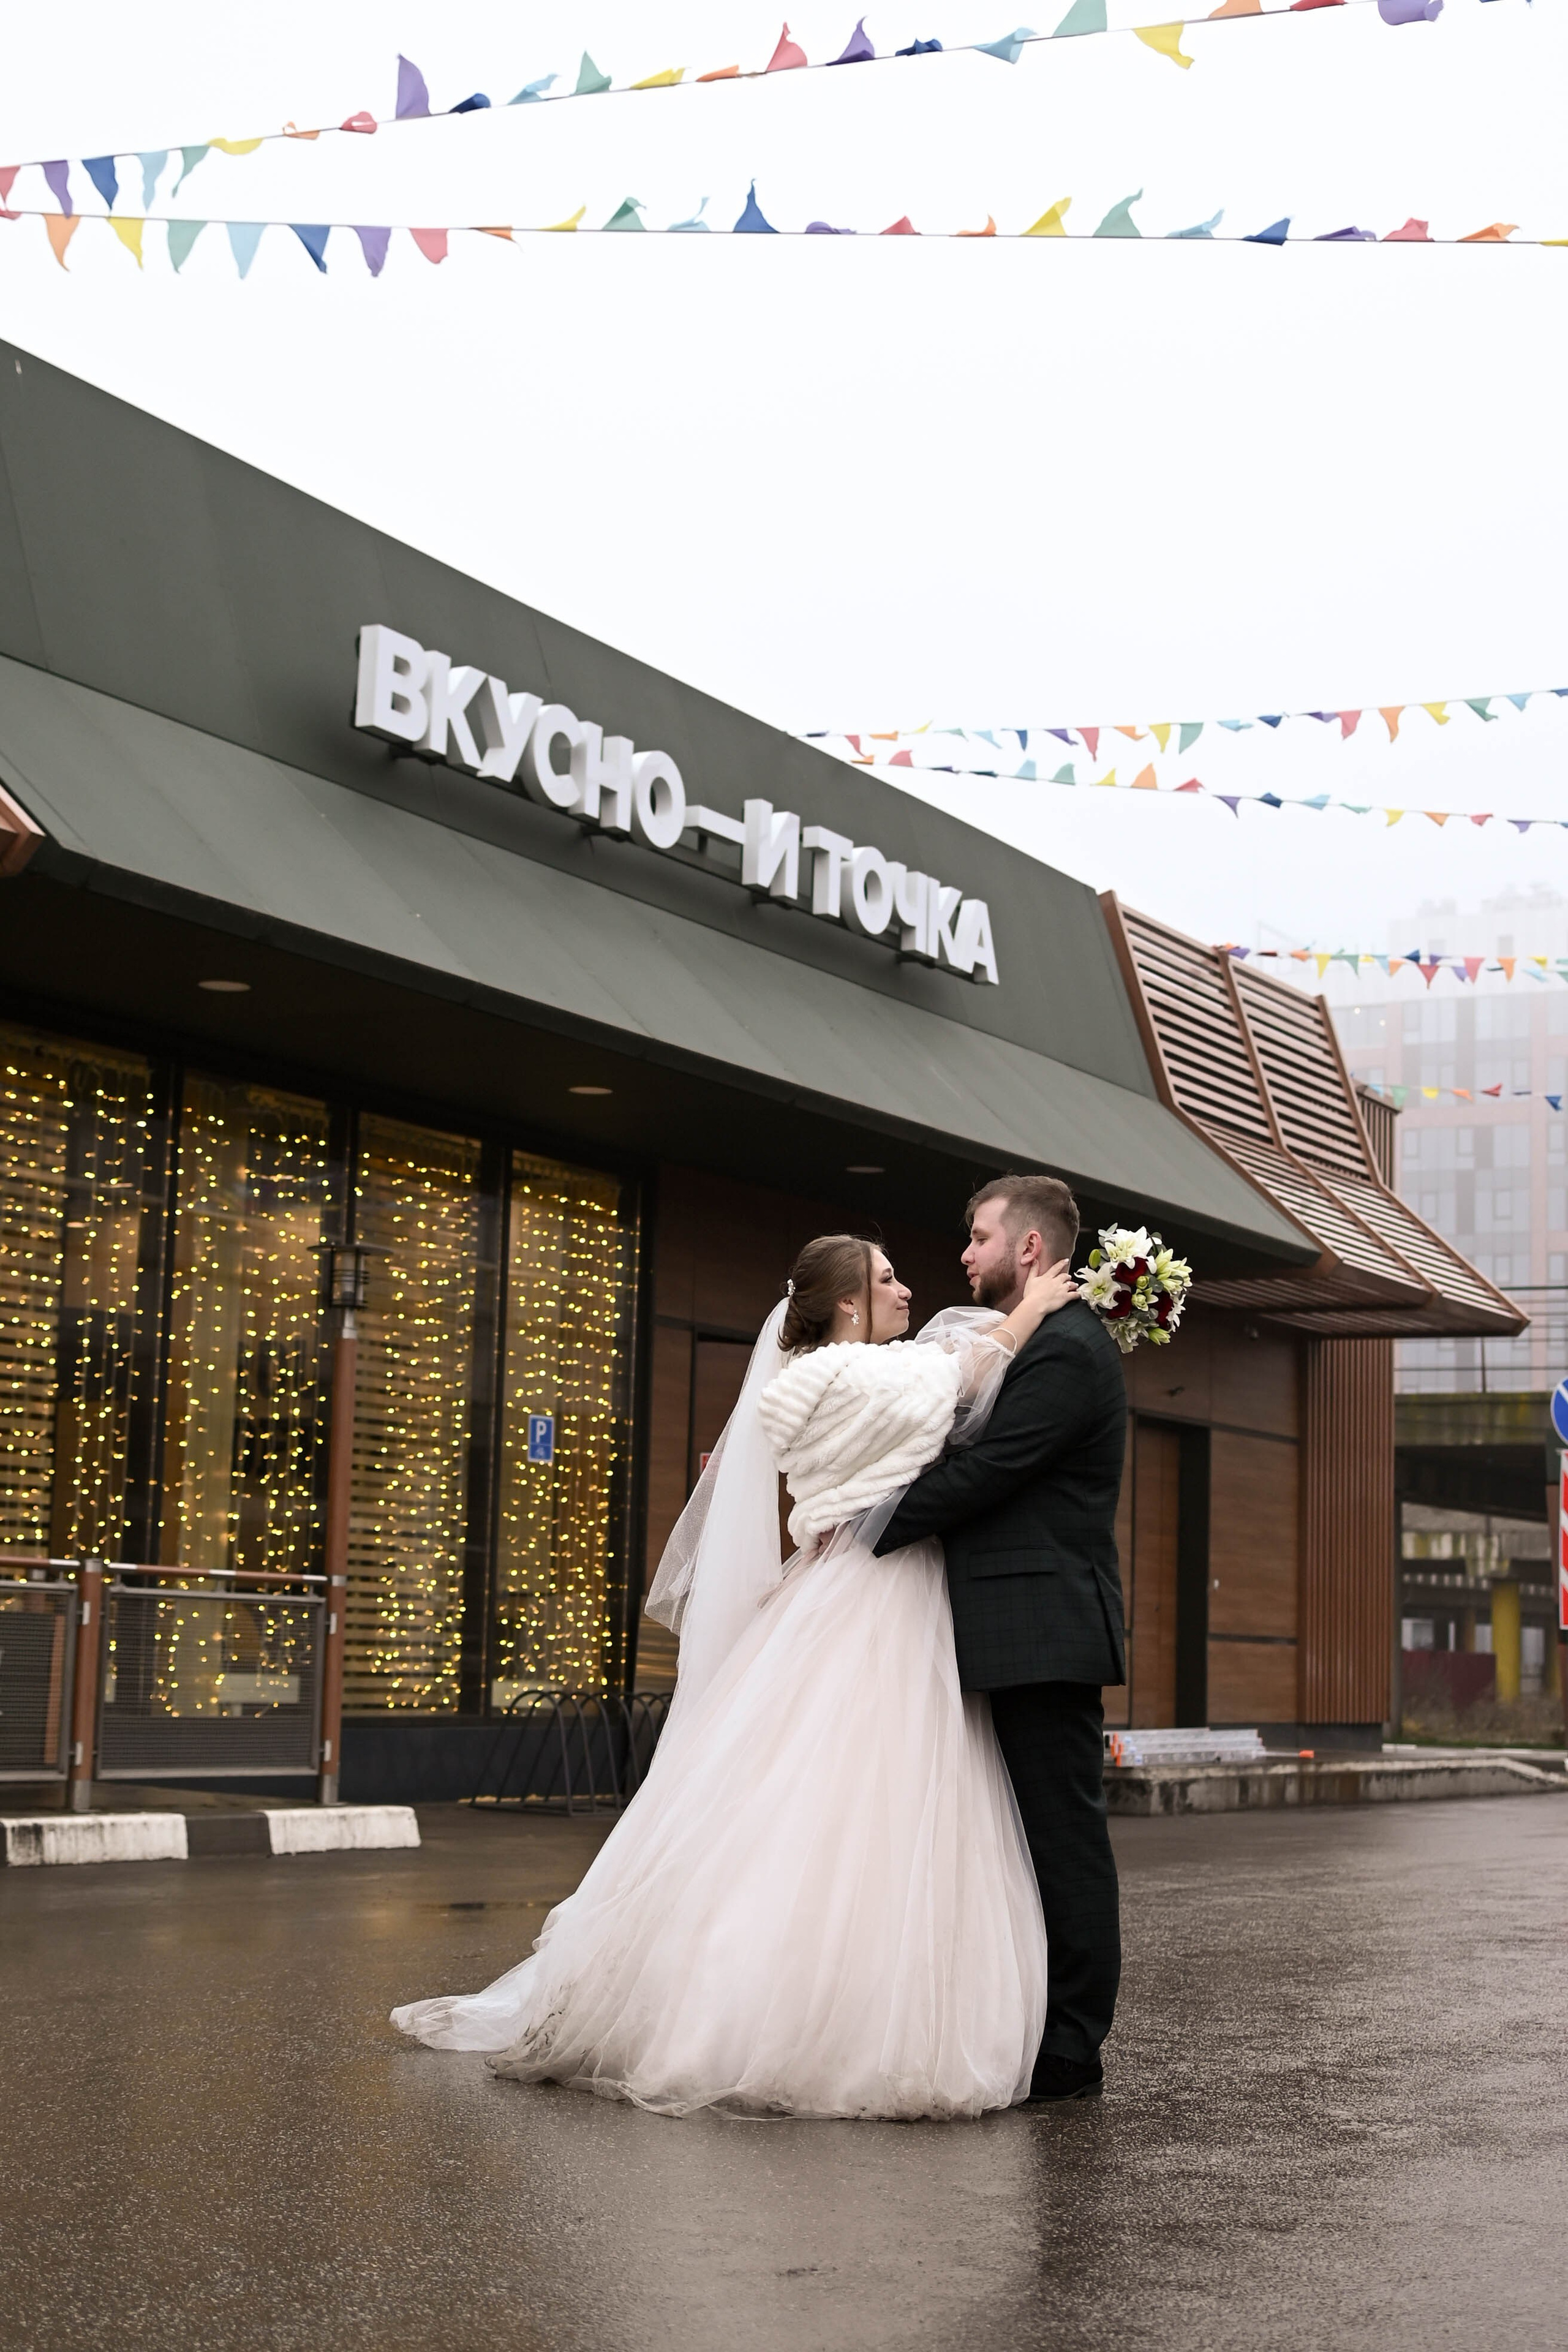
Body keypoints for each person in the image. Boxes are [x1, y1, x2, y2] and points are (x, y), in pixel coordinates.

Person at [390, 1232, 1076, 2119]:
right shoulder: (844, 1377)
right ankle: (803, 2022)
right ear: (844, 1305)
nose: (908, 1290)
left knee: (811, 1801)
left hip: (845, 1585)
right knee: (863, 1802)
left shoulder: (815, 1385)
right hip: (879, 1596)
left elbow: (940, 1375)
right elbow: (955, 1376)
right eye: (886, 1278)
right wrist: (1034, 1307)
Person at [874, 1173, 1128, 2104]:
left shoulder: (1066, 1349)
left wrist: (866, 1527)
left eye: (979, 1237)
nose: (967, 1253)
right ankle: (1026, 2023)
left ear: (1028, 1248)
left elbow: (990, 1472)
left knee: (1060, 1837)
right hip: (1003, 1625)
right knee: (1009, 1841)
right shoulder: (1028, 1340)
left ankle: (1073, 2043)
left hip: (1043, 1629)